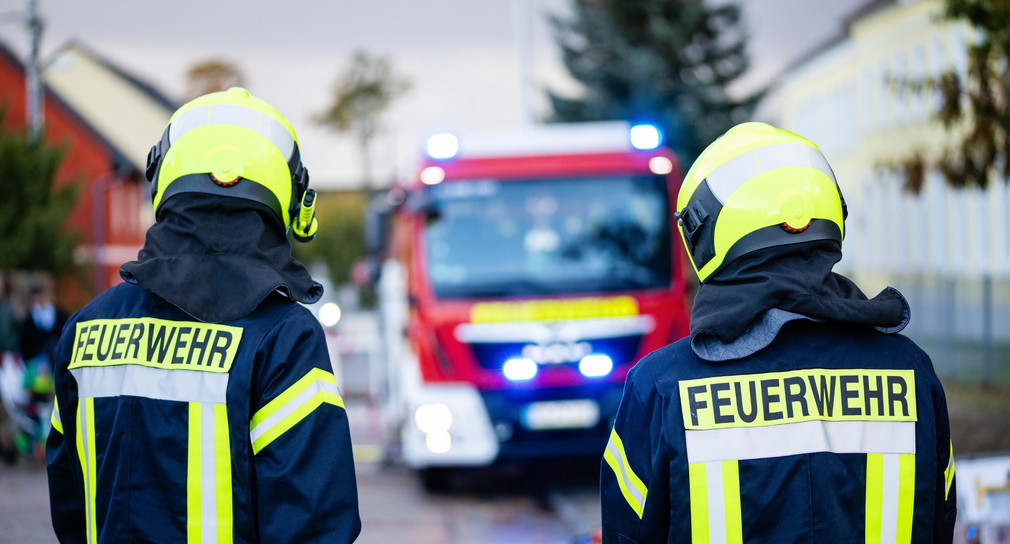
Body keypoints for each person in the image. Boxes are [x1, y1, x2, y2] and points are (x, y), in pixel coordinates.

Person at [600, 122, 956, 543]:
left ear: (704, 231)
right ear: (832, 218)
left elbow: (628, 534)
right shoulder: (913, 372)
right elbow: (939, 519)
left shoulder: (660, 387)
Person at [46, 87, 361, 543]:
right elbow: (314, 525)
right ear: (287, 200)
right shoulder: (284, 338)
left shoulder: (85, 330)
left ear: (164, 184)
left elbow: (70, 509)